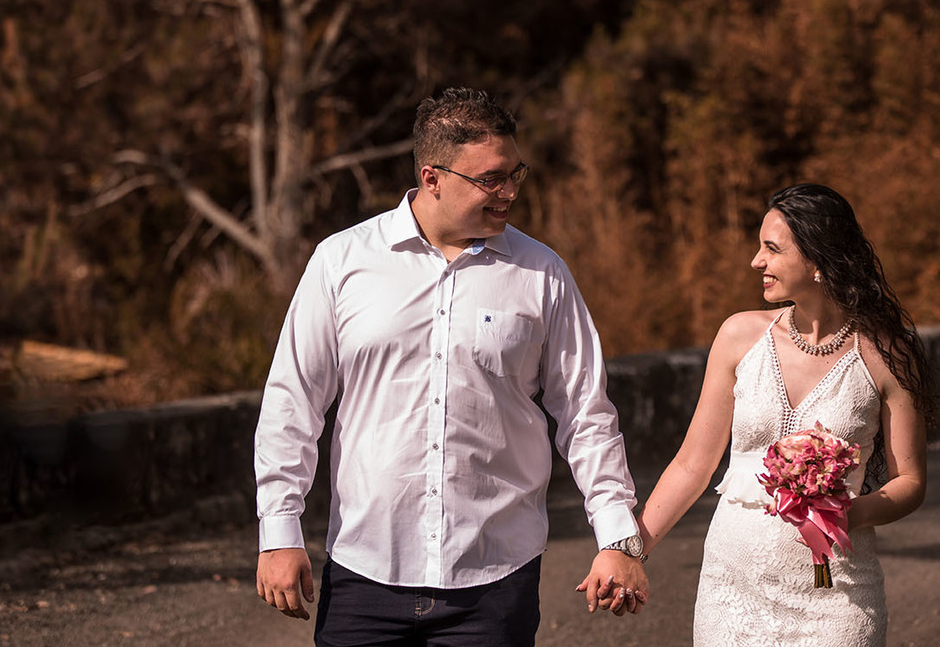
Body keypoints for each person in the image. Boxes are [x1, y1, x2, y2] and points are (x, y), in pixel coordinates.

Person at [253, 87, 648, 647]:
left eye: (516, 174)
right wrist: (278, 529)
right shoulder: (342, 261)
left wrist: (617, 537)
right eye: (491, 179)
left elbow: (586, 413)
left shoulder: (543, 273)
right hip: (365, 573)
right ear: (432, 176)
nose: (509, 191)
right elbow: (292, 402)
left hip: (495, 579)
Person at [630, 183, 939, 645]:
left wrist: (849, 514)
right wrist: (629, 551)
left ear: (818, 260)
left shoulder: (887, 355)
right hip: (731, 595)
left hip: (837, 599)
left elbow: (909, 482)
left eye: (771, 249)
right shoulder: (739, 336)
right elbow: (692, 466)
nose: (756, 261)